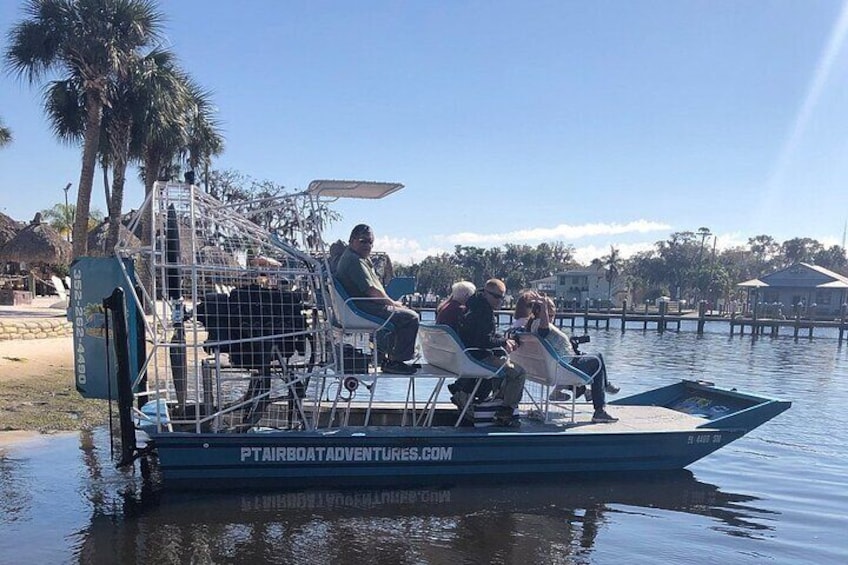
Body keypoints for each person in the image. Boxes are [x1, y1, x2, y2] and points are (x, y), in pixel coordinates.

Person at [335, 224, 419, 375]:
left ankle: (391, 358)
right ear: (352, 240)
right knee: (410, 317)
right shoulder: (354, 261)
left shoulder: (357, 258)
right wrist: (393, 304)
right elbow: (372, 291)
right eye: (363, 241)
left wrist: (394, 305)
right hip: (362, 308)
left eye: (370, 242)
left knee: (401, 315)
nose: (367, 245)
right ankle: (396, 362)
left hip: (360, 306)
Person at [528, 296, 618, 423]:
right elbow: (544, 331)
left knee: (591, 357)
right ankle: (600, 409)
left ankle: (603, 387)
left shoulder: (532, 325)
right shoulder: (540, 325)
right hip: (564, 367)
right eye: (551, 311)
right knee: (597, 358)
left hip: (556, 366)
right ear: (542, 312)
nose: (553, 314)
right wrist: (544, 308)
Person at [454, 278, 526, 427]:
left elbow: (483, 336)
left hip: (467, 355)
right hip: (477, 357)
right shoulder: (483, 312)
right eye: (497, 297)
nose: (500, 301)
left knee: (503, 362)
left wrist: (501, 339)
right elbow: (484, 341)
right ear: (486, 293)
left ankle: (498, 403)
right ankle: (505, 411)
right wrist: (504, 342)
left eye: (502, 297)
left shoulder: (473, 304)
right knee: (518, 372)